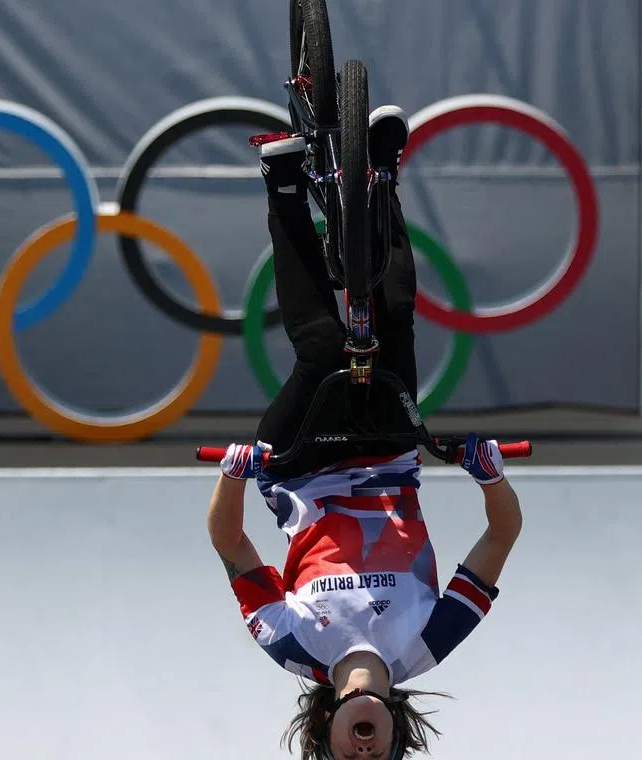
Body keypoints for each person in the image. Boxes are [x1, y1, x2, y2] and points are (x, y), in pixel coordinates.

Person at [205, 104, 525, 760]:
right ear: (393, 738)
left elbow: (230, 542)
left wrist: (233, 475)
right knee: (397, 320)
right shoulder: (427, 644)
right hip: (386, 451)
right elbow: (502, 534)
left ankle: (285, 182)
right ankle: (381, 171)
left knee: (322, 348)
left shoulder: (292, 646)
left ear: (323, 732)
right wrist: (490, 476)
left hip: (299, 461)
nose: (361, 758)